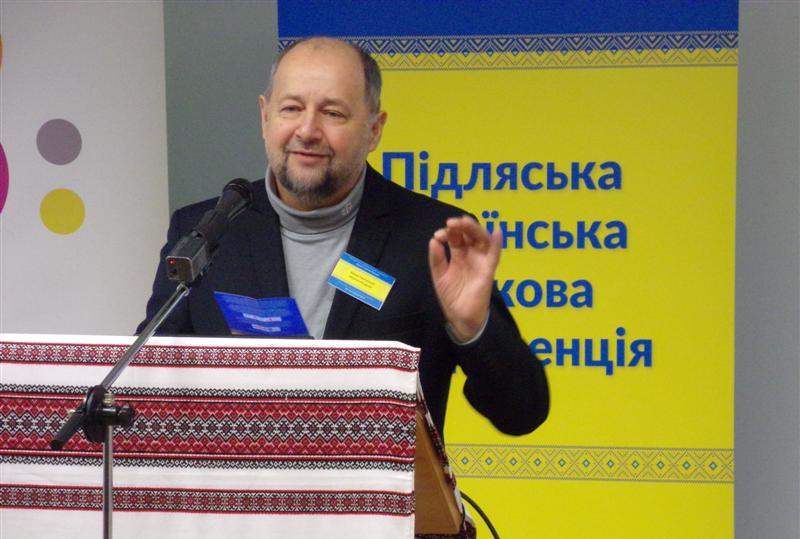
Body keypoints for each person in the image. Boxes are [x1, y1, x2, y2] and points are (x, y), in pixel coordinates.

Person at [139, 37, 548, 436]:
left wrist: (474, 328)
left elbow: (522, 413)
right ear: (265, 118)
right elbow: (145, 393)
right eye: (291, 108)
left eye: (333, 113)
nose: (307, 130)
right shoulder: (206, 234)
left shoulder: (431, 238)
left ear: (374, 129)